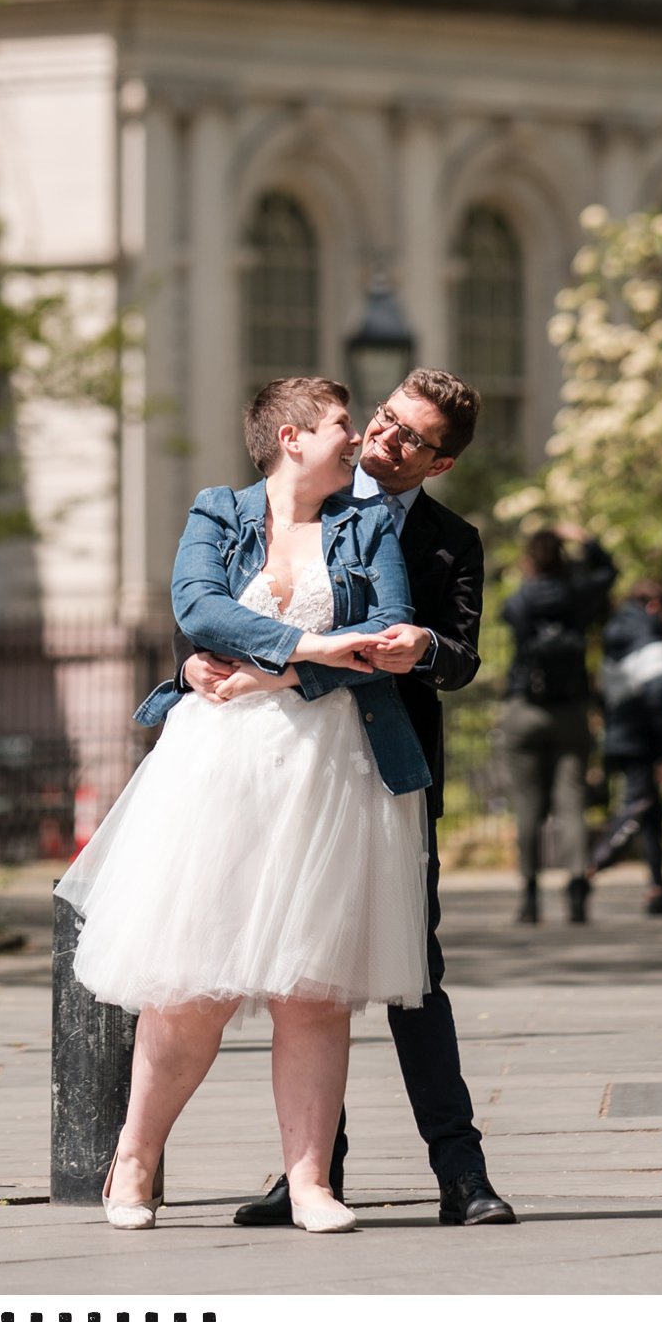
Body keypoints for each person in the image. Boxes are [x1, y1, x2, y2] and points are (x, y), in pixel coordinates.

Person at [56, 375, 430, 1235]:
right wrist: (304, 643)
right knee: (189, 986)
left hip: (331, 766)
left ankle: (310, 1183)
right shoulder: (218, 512)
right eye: (342, 424)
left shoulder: (366, 522)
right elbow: (199, 610)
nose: (356, 439)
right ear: (293, 436)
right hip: (218, 769)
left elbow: (391, 631)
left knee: (316, 990)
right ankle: (136, 1159)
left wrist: (284, 669)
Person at [204, 368, 515, 1229]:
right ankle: (312, 1178)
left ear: (440, 462)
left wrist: (427, 649)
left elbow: (464, 656)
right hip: (288, 772)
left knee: (415, 974)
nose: (384, 440)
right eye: (384, 420)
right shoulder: (305, 498)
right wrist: (189, 666)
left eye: (411, 438)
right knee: (306, 974)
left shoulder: (453, 539)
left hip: (387, 772)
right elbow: (230, 605)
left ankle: (463, 1176)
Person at [497, 525, 615, 923]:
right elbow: (608, 573)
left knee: (528, 807)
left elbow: (507, 618)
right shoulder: (577, 595)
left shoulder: (521, 600)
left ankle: (530, 895)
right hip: (571, 709)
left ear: (530, 559)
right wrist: (587, 539)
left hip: (525, 707)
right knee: (572, 803)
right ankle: (578, 888)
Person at [587, 579, 662, 916]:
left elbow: (603, 694)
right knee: (639, 806)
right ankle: (588, 869)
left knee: (651, 814)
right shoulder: (648, 633)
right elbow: (657, 692)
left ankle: (657, 889)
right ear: (654, 605)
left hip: (621, 732)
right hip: (642, 736)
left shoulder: (614, 633)